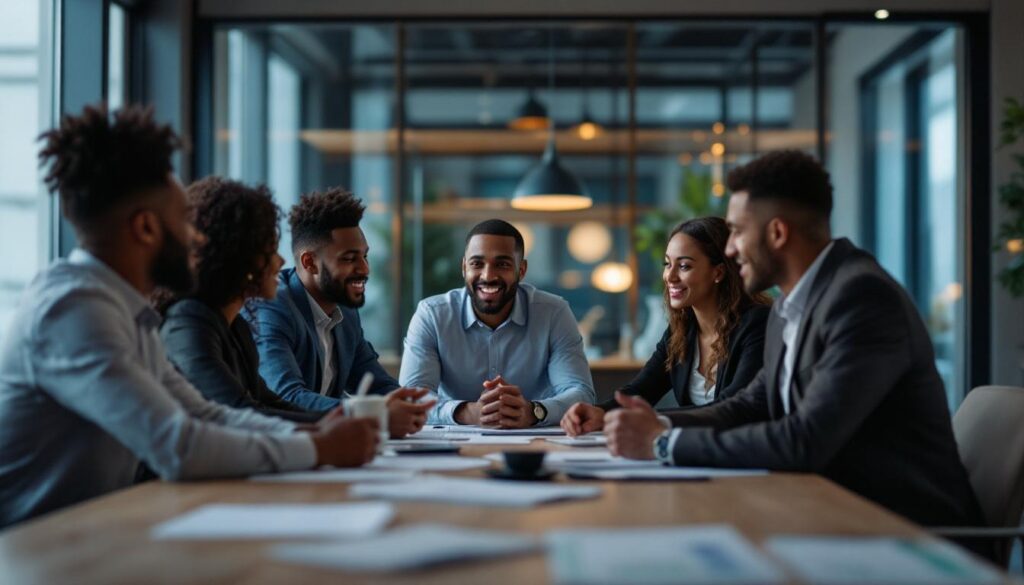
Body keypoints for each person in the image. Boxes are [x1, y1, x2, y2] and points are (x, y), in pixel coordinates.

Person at [0, 104, 377, 528]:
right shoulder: (73, 310)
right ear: (145, 228)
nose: (197, 237)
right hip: (33, 549)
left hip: (94, 535)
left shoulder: (124, 311)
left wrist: (317, 436)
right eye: (184, 220)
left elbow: (206, 414)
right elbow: (176, 445)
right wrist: (320, 450)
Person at [604, 150, 983, 531]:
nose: (731, 249)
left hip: (903, 528)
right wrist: (654, 425)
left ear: (778, 233)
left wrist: (661, 444)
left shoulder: (862, 298)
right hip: (826, 510)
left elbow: (805, 439)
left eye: (737, 231)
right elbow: (746, 406)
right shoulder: (793, 305)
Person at [248, 188, 433, 437]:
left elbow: (375, 383)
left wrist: (407, 404)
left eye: (365, 256)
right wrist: (375, 414)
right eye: (349, 259)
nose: (365, 269)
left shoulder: (344, 310)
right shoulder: (273, 305)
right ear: (309, 262)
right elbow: (287, 396)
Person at [561, 217, 770, 436]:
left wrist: (654, 419)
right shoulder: (681, 332)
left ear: (718, 272)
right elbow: (641, 390)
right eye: (668, 264)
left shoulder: (757, 325)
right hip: (692, 453)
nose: (670, 276)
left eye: (684, 266)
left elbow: (735, 408)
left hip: (744, 456)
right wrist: (599, 412)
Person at [399, 219, 595, 428]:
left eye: (502, 264)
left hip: (536, 440)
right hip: (453, 445)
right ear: (464, 267)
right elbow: (411, 398)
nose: (488, 275)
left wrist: (534, 411)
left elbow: (581, 394)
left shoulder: (554, 313)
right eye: (477, 263)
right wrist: (467, 412)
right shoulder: (432, 315)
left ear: (522, 270)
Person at [159, 177, 321, 423]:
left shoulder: (236, 325)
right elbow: (238, 412)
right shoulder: (188, 321)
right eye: (270, 249)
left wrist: (349, 421)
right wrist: (343, 425)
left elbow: (268, 402)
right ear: (240, 256)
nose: (281, 261)